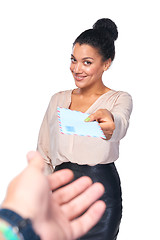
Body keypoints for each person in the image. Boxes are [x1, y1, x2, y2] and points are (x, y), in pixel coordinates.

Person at [37, 18, 133, 240]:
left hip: (100, 197)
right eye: (73, 60)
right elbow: (44, 154)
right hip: (59, 195)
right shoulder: (57, 100)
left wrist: (110, 124)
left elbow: (119, 123)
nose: (76, 69)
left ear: (106, 64)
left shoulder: (119, 99)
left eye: (87, 62)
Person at [0, 151, 106, 240]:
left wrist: (16, 219)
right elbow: (45, 152)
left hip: (101, 177)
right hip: (62, 177)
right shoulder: (51, 125)